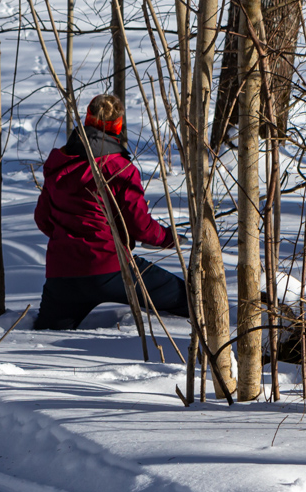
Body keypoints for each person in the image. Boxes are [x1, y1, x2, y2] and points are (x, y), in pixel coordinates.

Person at [33, 93, 189, 330]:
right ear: (118, 125)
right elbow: (140, 225)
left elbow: (42, 219)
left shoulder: (58, 163)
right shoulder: (119, 167)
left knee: (44, 333)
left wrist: (68, 239)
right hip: (111, 268)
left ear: (87, 119)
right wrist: (168, 238)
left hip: (63, 275)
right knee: (189, 300)